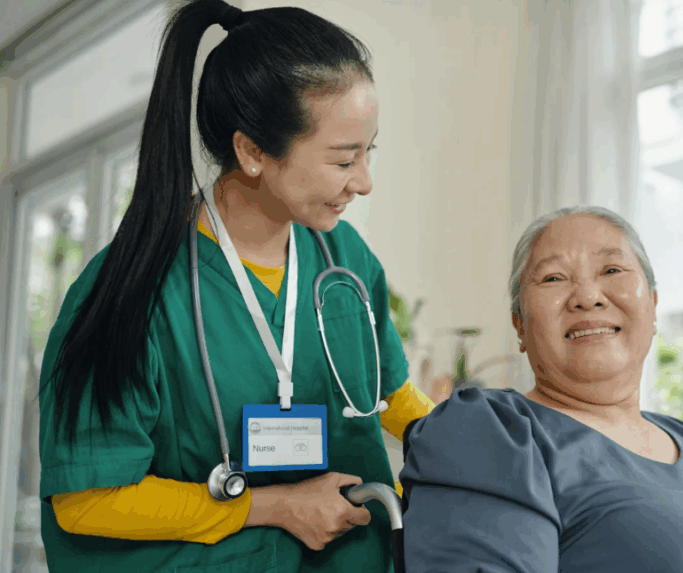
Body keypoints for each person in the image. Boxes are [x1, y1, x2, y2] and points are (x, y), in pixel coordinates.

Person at [36, 1, 433, 571]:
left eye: (368, 152)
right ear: (251, 151)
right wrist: (273, 507)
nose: (364, 182)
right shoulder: (129, 289)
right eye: (344, 160)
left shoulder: (344, 261)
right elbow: (87, 499)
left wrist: (459, 435)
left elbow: (389, 395)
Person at [399, 206, 683, 572]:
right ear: (520, 325)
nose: (587, 297)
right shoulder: (493, 431)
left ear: (652, 306)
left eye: (612, 270)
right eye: (553, 277)